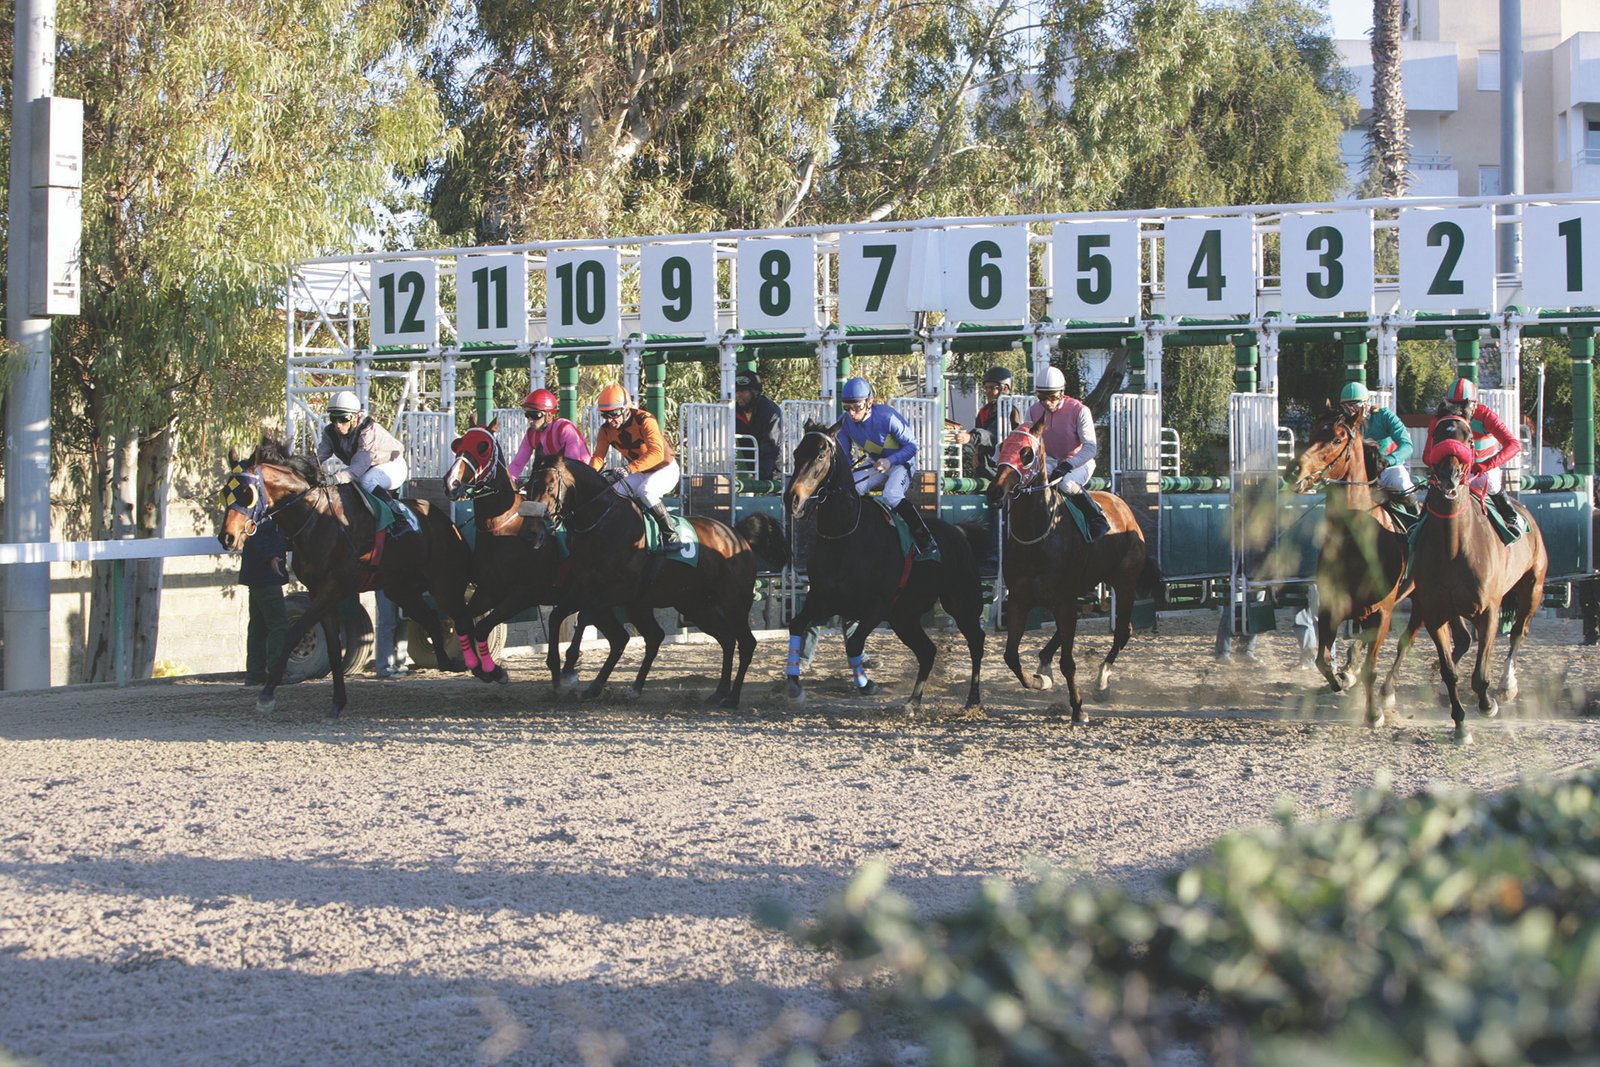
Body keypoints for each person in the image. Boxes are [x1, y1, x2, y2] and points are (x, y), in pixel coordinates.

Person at [836, 376, 935, 555]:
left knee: (891, 495)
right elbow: (845, 457)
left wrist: (890, 461)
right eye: (846, 407)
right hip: (875, 462)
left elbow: (912, 446)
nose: (851, 412)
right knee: (851, 489)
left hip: (901, 462)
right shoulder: (844, 422)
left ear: (869, 403)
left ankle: (924, 538)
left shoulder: (887, 417)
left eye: (857, 406)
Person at [590, 382, 683, 545]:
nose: (610, 420)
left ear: (626, 409)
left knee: (646, 491)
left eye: (614, 414)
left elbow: (657, 453)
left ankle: (671, 535)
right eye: (605, 415)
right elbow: (598, 457)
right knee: (612, 493)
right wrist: (590, 476)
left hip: (665, 469)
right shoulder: (605, 430)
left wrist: (629, 469)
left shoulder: (645, 420)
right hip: (641, 472)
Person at [1428, 377, 1522, 536]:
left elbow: (1514, 445)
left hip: (1482, 468)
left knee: (1488, 480)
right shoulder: (1440, 419)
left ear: (1474, 404)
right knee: (1434, 486)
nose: (1458, 410)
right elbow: (1427, 454)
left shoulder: (1485, 415)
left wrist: (1486, 465)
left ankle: (1511, 518)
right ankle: (1419, 524)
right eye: (1453, 404)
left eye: (1463, 405)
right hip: (1455, 469)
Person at [316, 390, 415, 533]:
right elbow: (318, 457)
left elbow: (359, 465)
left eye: (343, 418)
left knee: (366, 481)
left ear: (355, 417)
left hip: (393, 466)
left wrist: (335, 478)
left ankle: (400, 519)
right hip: (367, 469)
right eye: (333, 418)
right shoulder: (330, 432)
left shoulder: (368, 430)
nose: (338, 424)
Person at [1028, 366, 1108, 540]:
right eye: (1042, 397)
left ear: (1062, 393)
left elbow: (1090, 448)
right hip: (1050, 461)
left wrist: (1068, 465)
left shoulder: (1080, 411)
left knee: (1065, 483)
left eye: (1052, 397)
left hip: (1079, 462)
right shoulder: (1033, 411)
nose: (1047, 402)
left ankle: (1096, 517)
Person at [1338, 381, 1417, 521]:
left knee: (1402, 483)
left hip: (1387, 470)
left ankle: (1416, 521)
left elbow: (1407, 445)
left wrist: (1388, 460)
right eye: (1346, 407)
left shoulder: (1385, 416)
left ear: (1367, 403)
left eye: (1355, 405)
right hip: (1359, 474)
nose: (1351, 411)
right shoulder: (1342, 424)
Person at [239, 516, 288, 686]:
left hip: (256, 575)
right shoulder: (262, 514)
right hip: (267, 575)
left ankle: (255, 673)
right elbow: (258, 538)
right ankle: (277, 672)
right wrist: (271, 557)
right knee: (278, 624)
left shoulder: (255, 511)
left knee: (258, 626)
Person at [508, 388, 590, 483]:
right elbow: (517, 464)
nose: (530, 420)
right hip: (560, 474)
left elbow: (571, 464)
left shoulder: (564, 428)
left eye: (535, 415)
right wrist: (508, 480)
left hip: (583, 474)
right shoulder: (531, 434)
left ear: (549, 415)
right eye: (528, 415)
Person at [953, 366, 1018, 483]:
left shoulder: (1010, 411)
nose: (987, 391)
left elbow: (993, 434)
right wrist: (976, 453)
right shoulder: (984, 411)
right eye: (986, 388)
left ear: (1005, 388)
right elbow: (980, 430)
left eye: (992, 388)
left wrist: (971, 437)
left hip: (1001, 468)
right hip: (983, 467)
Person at [734, 371, 782, 481]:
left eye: (743, 391)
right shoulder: (736, 411)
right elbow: (717, 427)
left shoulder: (769, 411)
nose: (738, 395)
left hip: (778, 471)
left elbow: (771, 445)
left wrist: (759, 475)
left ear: (755, 392)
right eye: (736, 391)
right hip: (757, 470)